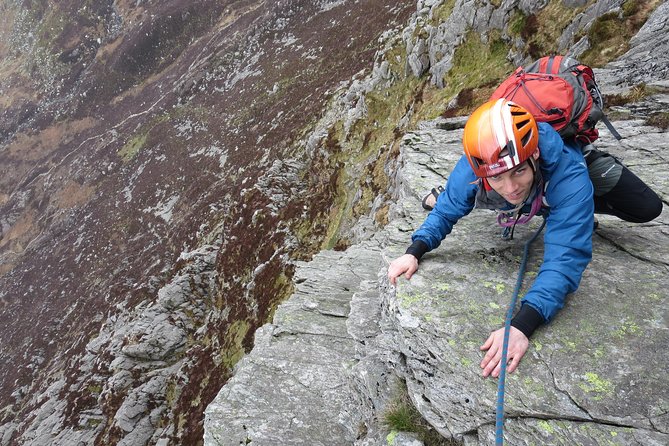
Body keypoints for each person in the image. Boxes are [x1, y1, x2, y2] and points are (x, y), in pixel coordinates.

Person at [387, 98, 663, 379]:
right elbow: (445, 213)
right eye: (498, 178)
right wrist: (415, 250)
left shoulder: (568, 174)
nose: (510, 187)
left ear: (534, 157)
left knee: (647, 208)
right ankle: (466, 192)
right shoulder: (474, 167)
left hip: (567, 172)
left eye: (518, 171)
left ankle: (574, 205)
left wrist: (522, 325)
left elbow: (565, 257)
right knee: (459, 197)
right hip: (517, 183)